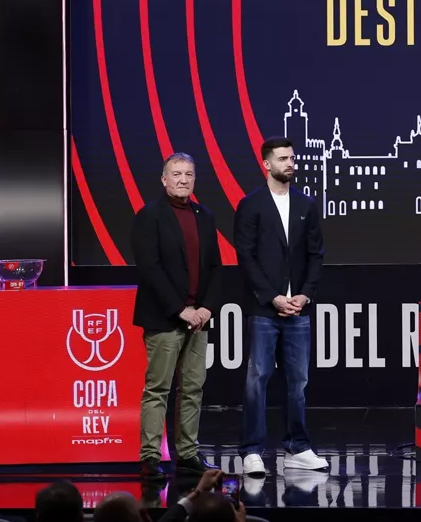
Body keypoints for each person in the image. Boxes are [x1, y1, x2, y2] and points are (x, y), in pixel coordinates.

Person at [235, 137, 328, 475]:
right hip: (265, 309)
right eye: (283, 158)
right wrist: (272, 296)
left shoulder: (306, 204)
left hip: (298, 310)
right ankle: (252, 451)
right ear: (266, 164)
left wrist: (304, 294)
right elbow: (245, 256)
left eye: (292, 158)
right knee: (257, 379)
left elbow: (316, 254)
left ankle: (298, 446)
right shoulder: (251, 204)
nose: (291, 163)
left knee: (298, 382)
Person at [132, 153, 223, 479]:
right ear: (164, 179)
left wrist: (205, 309)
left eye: (188, 174)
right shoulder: (149, 215)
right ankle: (150, 458)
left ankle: (187, 454)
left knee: (194, 387)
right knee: (158, 390)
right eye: (176, 174)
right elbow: (150, 269)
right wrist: (180, 309)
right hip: (165, 318)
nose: (183, 180)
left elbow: (215, 266)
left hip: (198, 319)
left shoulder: (204, 215)